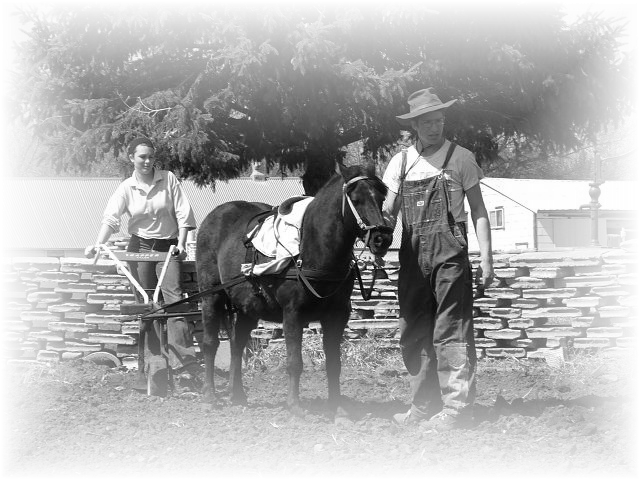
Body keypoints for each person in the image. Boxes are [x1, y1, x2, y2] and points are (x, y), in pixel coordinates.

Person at [381, 87, 494, 431]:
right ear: (414, 126)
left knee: (451, 329)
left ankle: (458, 409)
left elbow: (479, 211)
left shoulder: (461, 158)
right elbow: (388, 214)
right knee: (413, 331)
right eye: (427, 122)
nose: (435, 127)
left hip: (450, 256)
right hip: (412, 258)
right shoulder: (400, 163)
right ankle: (424, 405)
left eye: (439, 120)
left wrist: (487, 258)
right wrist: (372, 236)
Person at [85, 136, 201, 389]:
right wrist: (97, 243)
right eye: (142, 157)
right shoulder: (126, 187)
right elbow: (111, 218)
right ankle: (153, 362)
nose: (147, 161)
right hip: (139, 248)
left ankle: (184, 364)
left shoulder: (168, 179)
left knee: (175, 300)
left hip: (168, 246)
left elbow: (183, 212)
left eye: (151, 157)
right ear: (132, 158)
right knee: (147, 305)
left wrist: (182, 243)